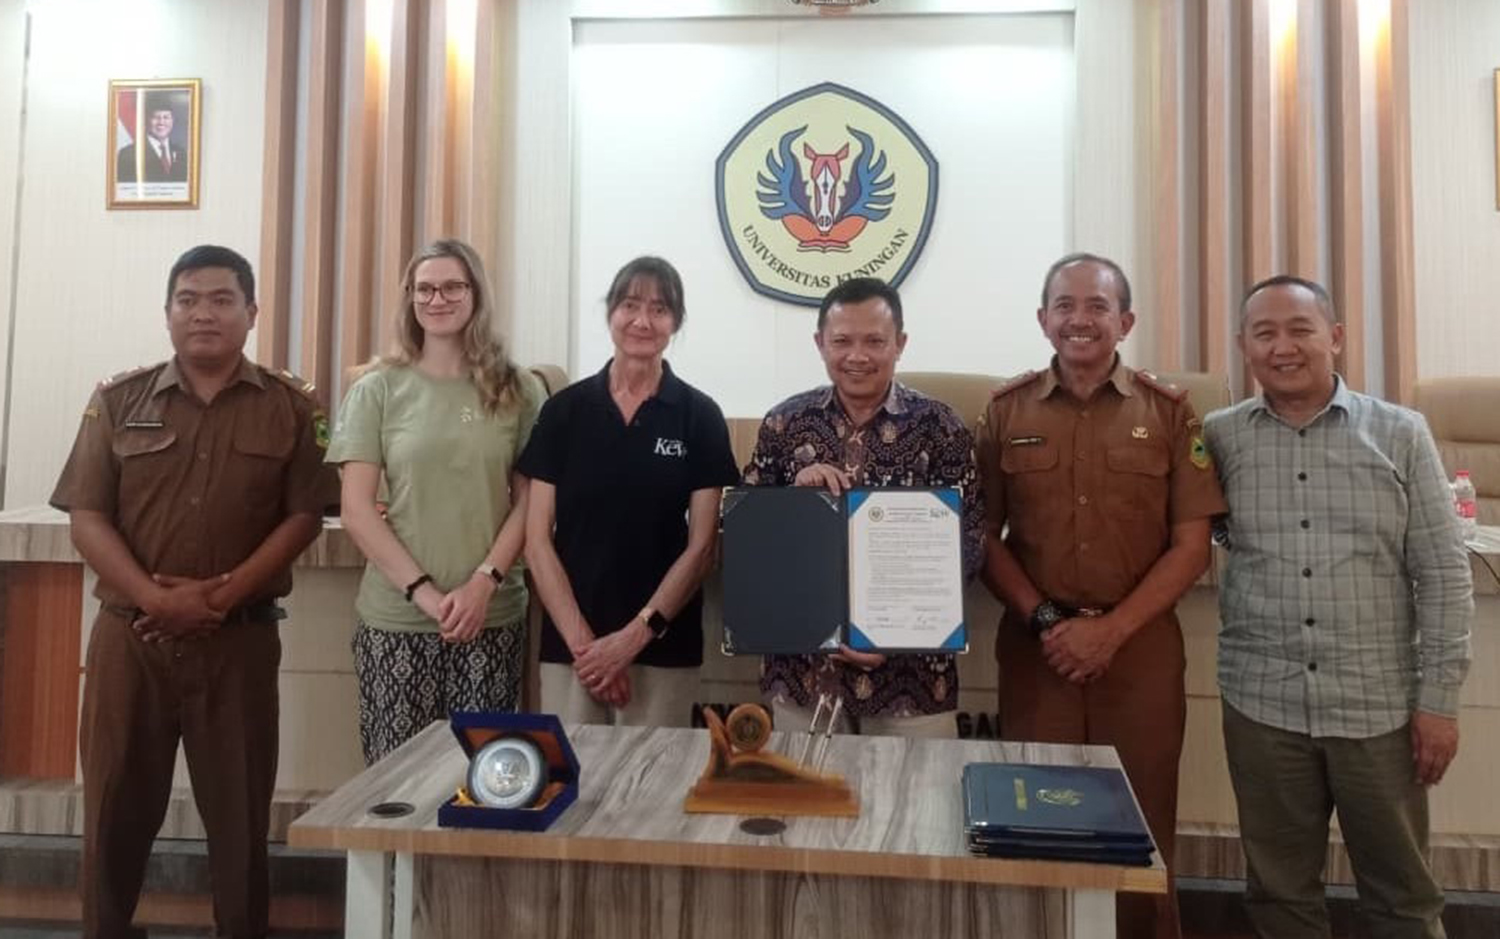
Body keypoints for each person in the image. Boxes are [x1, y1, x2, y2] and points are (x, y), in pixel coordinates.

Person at [50, 245, 336, 939]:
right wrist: (154, 597)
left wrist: (222, 593)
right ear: (168, 311)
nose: (202, 313)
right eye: (187, 299)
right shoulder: (117, 400)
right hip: (130, 641)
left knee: (238, 819)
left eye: (220, 299)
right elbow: (87, 515)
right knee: (113, 812)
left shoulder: (295, 407)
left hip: (237, 641)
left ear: (251, 312)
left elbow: (305, 515)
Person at [1203, 275, 1472, 939]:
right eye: (1264, 333)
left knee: (1403, 894)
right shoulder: (1220, 436)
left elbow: (1442, 573)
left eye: (1300, 329)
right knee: (1278, 892)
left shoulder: (1401, 433)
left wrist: (1438, 700)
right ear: (1243, 346)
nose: (1283, 346)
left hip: (1376, 707)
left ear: (1336, 337)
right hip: (1262, 700)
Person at [976, 252, 1226, 939]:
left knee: (1141, 825)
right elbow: (983, 536)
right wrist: (1049, 620)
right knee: (1036, 822)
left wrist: (1110, 630)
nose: (1080, 320)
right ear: (1043, 318)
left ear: (1126, 319)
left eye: (1096, 306)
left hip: (1139, 649)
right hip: (1038, 649)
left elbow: (1191, 545)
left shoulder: (1170, 412)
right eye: (1065, 306)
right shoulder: (1005, 411)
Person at [327, 238, 546, 765]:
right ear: (410, 298)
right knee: (394, 788)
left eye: (452, 286)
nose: (437, 298)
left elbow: (532, 502)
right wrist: (425, 594)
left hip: (489, 619)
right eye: (424, 288)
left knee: (486, 786)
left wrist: (482, 583)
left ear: (475, 294)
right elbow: (357, 510)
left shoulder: (518, 388)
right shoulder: (377, 389)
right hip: (396, 622)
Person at [742, 276, 983, 737]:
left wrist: (897, 632)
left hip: (913, 682)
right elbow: (746, 537)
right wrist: (793, 502)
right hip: (803, 676)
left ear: (900, 343)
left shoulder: (941, 426)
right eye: (842, 341)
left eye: (875, 341)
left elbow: (968, 542)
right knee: (809, 808)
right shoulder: (784, 423)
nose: (858, 355)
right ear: (819, 343)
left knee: (918, 807)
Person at [519, 256, 738, 726]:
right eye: (630, 304)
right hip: (570, 648)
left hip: (663, 647)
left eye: (659, 309)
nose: (642, 320)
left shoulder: (699, 416)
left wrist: (630, 641)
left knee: (652, 791)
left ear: (675, 322)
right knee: (574, 790)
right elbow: (537, 539)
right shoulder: (564, 412)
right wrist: (589, 649)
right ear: (610, 313)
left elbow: (701, 548)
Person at [117, 98, 189, 184]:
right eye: (155, 117)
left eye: (166, 117)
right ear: (146, 121)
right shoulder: (128, 154)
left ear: (172, 121)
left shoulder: (181, 153)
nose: (161, 122)